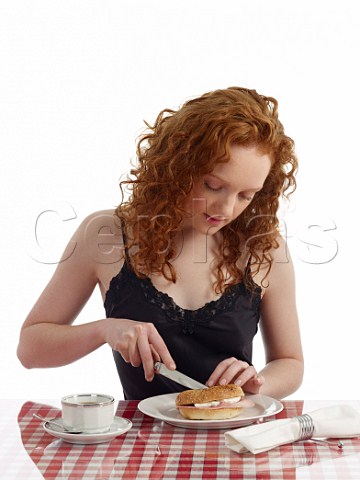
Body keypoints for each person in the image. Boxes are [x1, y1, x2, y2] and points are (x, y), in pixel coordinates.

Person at [17, 86, 304, 401]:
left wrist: (257, 383)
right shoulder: (105, 235)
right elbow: (30, 350)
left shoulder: (265, 248)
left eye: (245, 195)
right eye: (213, 185)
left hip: (233, 441)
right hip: (140, 446)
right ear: (179, 168)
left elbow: (290, 363)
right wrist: (104, 330)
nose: (226, 209)